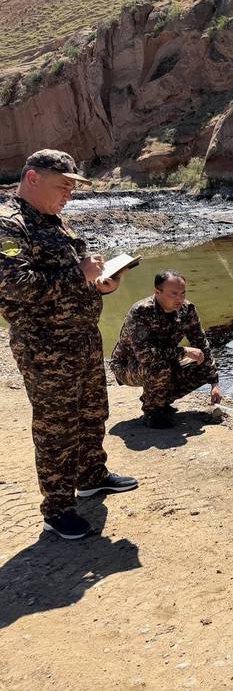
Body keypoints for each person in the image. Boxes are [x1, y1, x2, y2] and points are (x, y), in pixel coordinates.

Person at [0, 149, 138, 540]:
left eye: (72, 188)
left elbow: (79, 276)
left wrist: (101, 282)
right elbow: (13, 287)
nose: (68, 195)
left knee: (92, 411)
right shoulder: (9, 226)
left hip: (82, 337)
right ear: (32, 179)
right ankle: (57, 509)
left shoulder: (56, 222)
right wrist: (79, 275)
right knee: (56, 426)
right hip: (45, 346)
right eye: (62, 186)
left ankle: (92, 475)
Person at [110, 270, 223, 429]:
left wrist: (214, 383)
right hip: (128, 365)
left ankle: (160, 401)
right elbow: (146, 357)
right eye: (174, 294)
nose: (180, 298)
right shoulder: (141, 312)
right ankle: (152, 413)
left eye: (183, 293)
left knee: (201, 364)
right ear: (157, 292)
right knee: (160, 367)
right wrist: (183, 351)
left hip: (164, 359)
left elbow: (201, 344)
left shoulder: (187, 310)